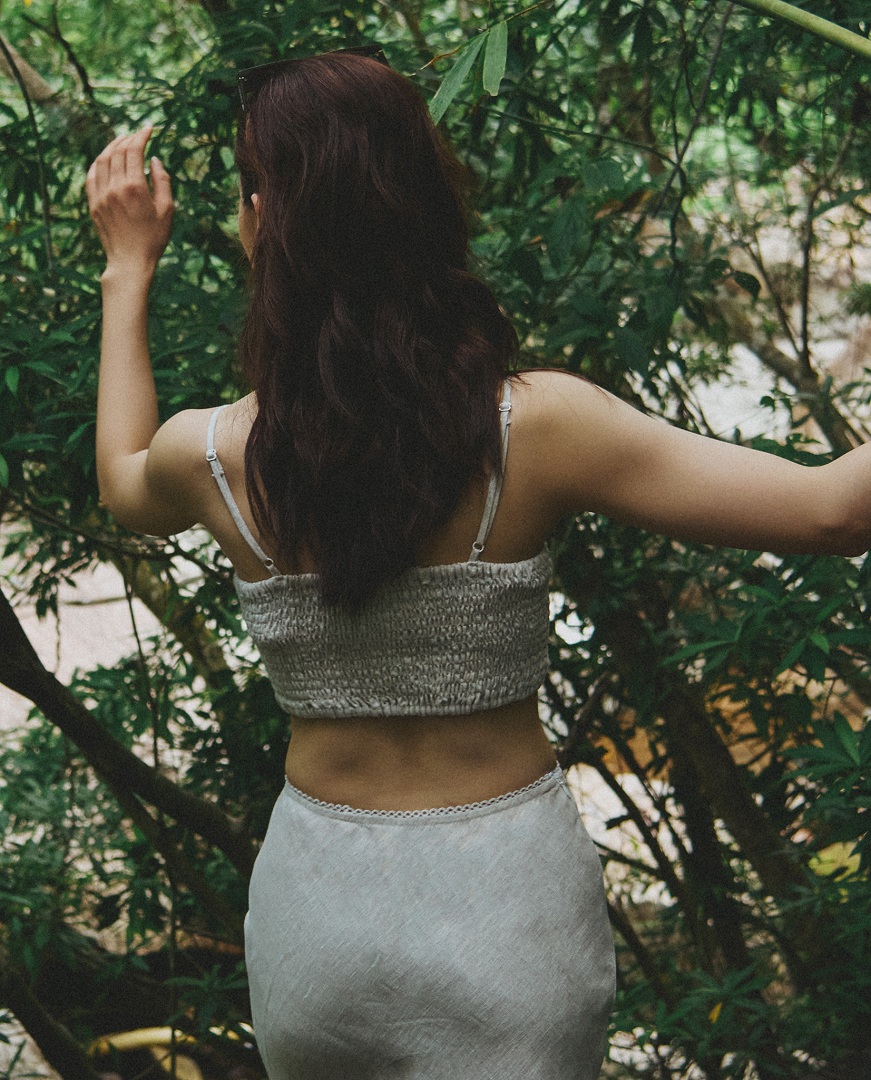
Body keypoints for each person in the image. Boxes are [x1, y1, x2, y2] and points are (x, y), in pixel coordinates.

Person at [86, 49, 871, 1080]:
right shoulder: (536, 429)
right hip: (505, 906)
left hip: (316, 915)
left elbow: (120, 478)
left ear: (264, 220)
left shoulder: (211, 455)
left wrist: (129, 266)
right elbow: (832, 511)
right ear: (420, 197)